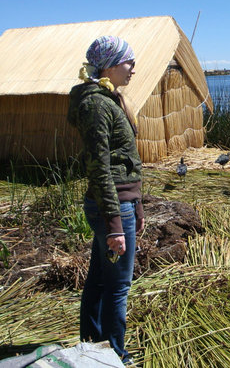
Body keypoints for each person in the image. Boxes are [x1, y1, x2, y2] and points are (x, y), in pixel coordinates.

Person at [67, 35, 144, 365]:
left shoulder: (108, 99)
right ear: (111, 66)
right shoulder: (97, 105)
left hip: (120, 204)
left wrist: (137, 204)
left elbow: (122, 160)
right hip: (110, 207)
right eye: (129, 62)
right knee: (118, 287)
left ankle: (92, 348)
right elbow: (99, 166)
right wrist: (115, 225)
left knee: (100, 280)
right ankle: (115, 355)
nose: (133, 69)